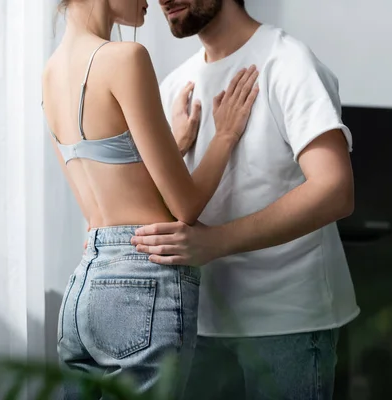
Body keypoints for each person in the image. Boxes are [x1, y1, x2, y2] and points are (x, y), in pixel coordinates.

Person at [131, 0, 360, 399]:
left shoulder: (285, 61)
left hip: (286, 324)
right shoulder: (174, 86)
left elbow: (335, 189)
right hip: (195, 325)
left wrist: (214, 242)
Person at [41, 0, 259, 398]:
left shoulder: (50, 74)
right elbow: (185, 205)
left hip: (85, 287)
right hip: (143, 284)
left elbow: (102, 203)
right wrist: (224, 136)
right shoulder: (127, 58)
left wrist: (172, 144)